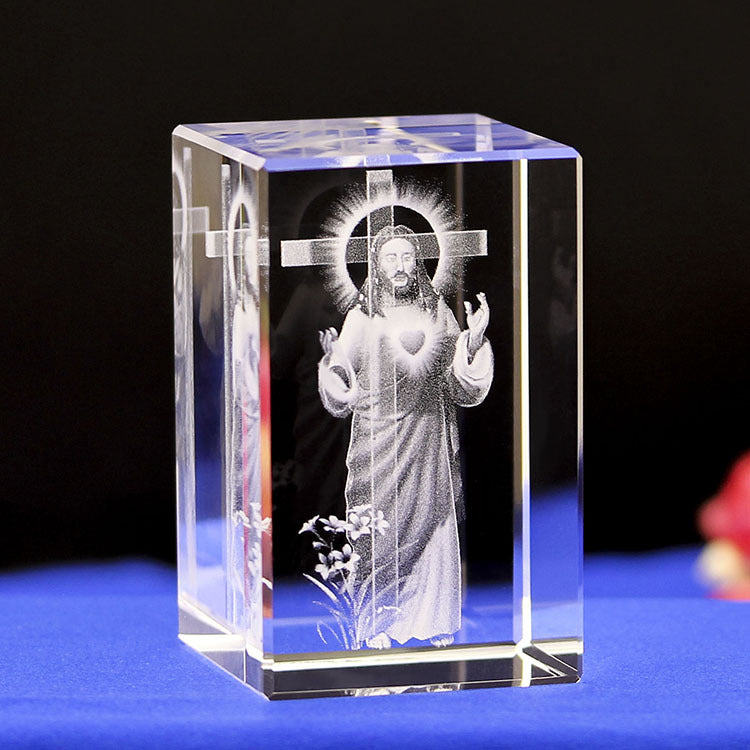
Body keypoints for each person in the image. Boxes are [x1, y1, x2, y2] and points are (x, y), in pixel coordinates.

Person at [317, 224, 493, 648]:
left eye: (407, 257)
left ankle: (433, 621)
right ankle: (377, 624)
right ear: (376, 264)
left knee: (433, 521)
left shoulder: (437, 313)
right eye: (390, 257)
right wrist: (334, 367)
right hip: (378, 440)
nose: (399, 266)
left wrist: (473, 341)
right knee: (381, 528)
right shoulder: (362, 317)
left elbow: (459, 383)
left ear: (419, 262)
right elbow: (342, 380)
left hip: (428, 435)